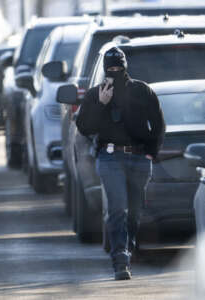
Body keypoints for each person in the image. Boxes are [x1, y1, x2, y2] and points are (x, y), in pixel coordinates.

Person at [76, 46, 165, 280]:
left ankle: (128, 246)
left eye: (119, 67)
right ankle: (120, 261)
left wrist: (151, 153)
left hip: (139, 158)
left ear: (125, 67)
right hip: (109, 158)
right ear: (105, 69)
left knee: (134, 213)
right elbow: (85, 127)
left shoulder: (142, 90)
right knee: (117, 208)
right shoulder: (96, 94)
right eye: (111, 68)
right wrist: (101, 104)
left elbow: (158, 124)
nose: (115, 71)